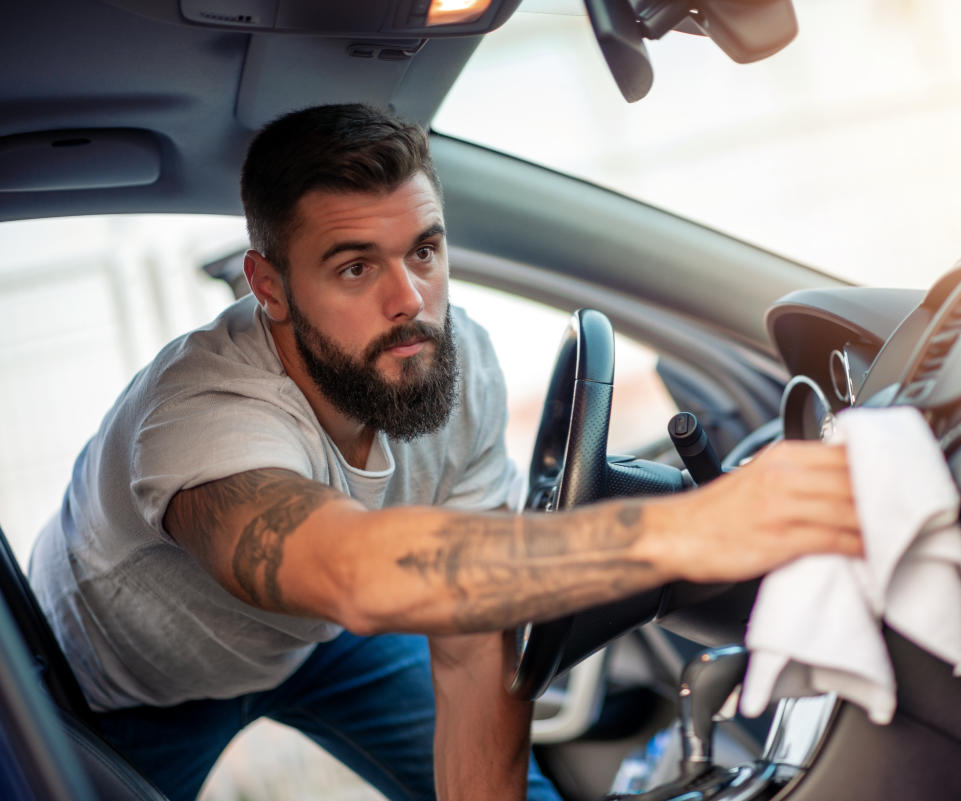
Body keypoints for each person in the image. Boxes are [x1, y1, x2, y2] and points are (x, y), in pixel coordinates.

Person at [28, 103, 861, 801]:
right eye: (355, 268)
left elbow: (469, 642)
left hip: (324, 636)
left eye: (423, 251)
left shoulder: (455, 364)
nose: (410, 301)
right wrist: (681, 530)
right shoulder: (200, 411)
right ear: (269, 284)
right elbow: (350, 570)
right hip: (132, 687)